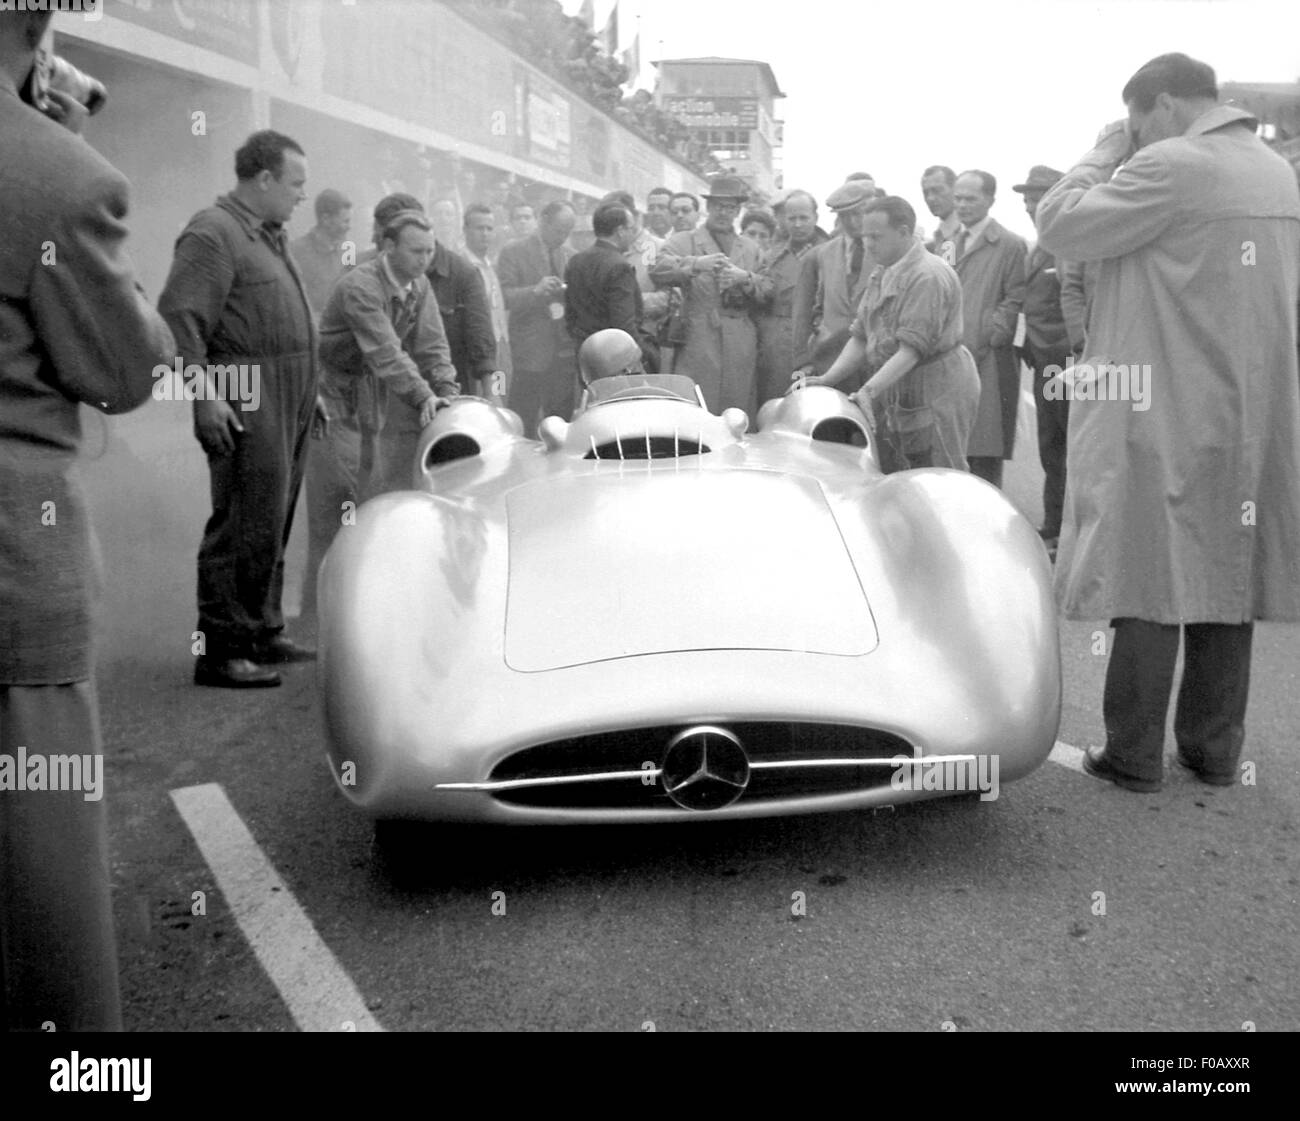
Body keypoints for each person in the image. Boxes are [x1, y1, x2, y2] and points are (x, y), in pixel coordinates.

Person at [1036, 52, 1300, 793]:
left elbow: (1061, 223)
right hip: (1247, 410)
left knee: (1148, 574)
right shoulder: (1275, 170)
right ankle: (1214, 752)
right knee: (1226, 576)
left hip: (1162, 406)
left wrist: (1101, 150)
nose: (1134, 135)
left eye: (1136, 121)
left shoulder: (1173, 164)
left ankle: (1132, 754)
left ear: (1162, 107)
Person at [0, 7, 176, 1031]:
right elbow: (121, 369)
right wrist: (71, 141)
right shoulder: (57, 174)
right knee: (43, 890)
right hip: (17, 578)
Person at [159, 130, 322, 687]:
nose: (303, 195)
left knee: (273, 517)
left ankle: (262, 630)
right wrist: (204, 395)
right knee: (241, 523)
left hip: (289, 392)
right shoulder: (213, 233)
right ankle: (221, 649)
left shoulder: (268, 235)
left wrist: (310, 392)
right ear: (264, 178)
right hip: (243, 388)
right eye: (296, 183)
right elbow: (179, 325)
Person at [799, 197, 979, 472]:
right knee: (907, 469)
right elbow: (860, 336)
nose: (868, 244)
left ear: (904, 232)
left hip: (936, 384)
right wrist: (827, 379)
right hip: (901, 380)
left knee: (941, 473)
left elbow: (911, 350)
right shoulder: (884, 271)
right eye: (865, 236)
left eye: (875, 236)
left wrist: (868, 391)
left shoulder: (927, 276)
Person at [317, 210, 457, 509]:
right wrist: (424, 396)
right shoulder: (360, 286)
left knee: (369, 479)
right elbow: (387, 353)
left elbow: (433, 344)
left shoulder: (419, 284)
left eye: (430, 251)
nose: (425, 260)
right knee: (340, 486)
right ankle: (326, 554)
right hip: (332, 391)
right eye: (416, 251)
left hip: (370, 389)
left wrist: (447, 392)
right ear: (390, 247)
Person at [650, 174, 770, 414]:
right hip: (699, 336)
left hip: (740, 340)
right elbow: (657, 268)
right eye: (718, 206)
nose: (723, 212)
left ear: (737, 211)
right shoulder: (685, 241)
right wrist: (695, 264)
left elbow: (769, 289)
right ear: (708, 207)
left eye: (730, 207)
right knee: (697, 409)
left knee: (737, 412)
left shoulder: (750, 248)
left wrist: (744, 278)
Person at [951, 169, 1027, 488]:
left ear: (990, 200)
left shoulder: (1009, 244)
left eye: (971, 198)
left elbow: (1015, 297)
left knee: (985, 446)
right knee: (954, 443)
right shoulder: (949, 242)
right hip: (952, 354)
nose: (963, 205)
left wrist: (992, 333)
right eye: (958, 198)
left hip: (988, 357)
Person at [1012, 165, 1071, 551]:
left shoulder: (1069, 243)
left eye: (1038, 197)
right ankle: (1054, 524)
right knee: (1051, 446)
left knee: (1070, 447)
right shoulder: (1039, 244)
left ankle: (1069, 530)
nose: (1031, 205)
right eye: (1028, 199)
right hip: (1042, 360)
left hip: (1065, 363)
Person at [498, 199, 577, 436]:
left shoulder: (571, 255)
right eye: (558, 230)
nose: (562, 237)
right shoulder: (513, 251)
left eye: (567, 232)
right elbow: (504, 296)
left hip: (563, 352)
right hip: (529, 352)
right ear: (543, 221)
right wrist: (536, 291)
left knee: (561, 422)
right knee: (524, 418)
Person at [791, 179, 876, 385]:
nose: (854, 222)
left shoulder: (887, 251)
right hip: (831, 362)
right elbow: (802, 312)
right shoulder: (819, 255)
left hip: (875, 362)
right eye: (846, 216)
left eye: (859, 214)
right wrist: (802, 361)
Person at [754, 190, 829, 406]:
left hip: (815, 343)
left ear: (816, 217)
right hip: (775, 348)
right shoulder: (772, 256)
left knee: (811, 407)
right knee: (774, 406)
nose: (797, 224)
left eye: (804, 218)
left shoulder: (832, 253)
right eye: (792, 218)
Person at [564, 203, 657, 369]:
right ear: (620, 231)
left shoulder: (576, 260)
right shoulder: (619, 266)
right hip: (614, 356)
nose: (633, 234)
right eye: (631, 229)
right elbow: (624, 323)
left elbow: (570, 314)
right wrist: (644, 356)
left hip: (585, 352)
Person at [462, 203, 513, 402]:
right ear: (465, 230)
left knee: (500, 399)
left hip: (500, 347)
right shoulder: (462, 265)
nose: (485, 234)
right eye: (479, 228)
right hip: (479, 352)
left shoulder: (490, 265)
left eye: (489, 229)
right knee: (485, 402)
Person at [290, 188, 352, 316]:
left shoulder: (348, 249)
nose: (349, 227)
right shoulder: (296, 252)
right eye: (345, 221)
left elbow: (351, 287)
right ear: (325, 219)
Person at [920, 165, 961, 263]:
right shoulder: (940, 235)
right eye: (926, 193)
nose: (930, 198)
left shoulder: (966, 233)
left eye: (937, 191)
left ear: (955, 189)